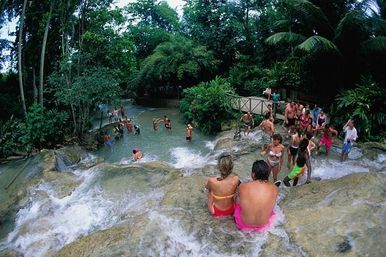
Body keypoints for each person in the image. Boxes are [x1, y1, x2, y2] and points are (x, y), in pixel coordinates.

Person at [234, 160, 278, 231]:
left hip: (244, 225)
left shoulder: (242, 186)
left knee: (238, 199)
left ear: (253, 174)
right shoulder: (275, 188)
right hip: (264, 226)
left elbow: (238, 203)